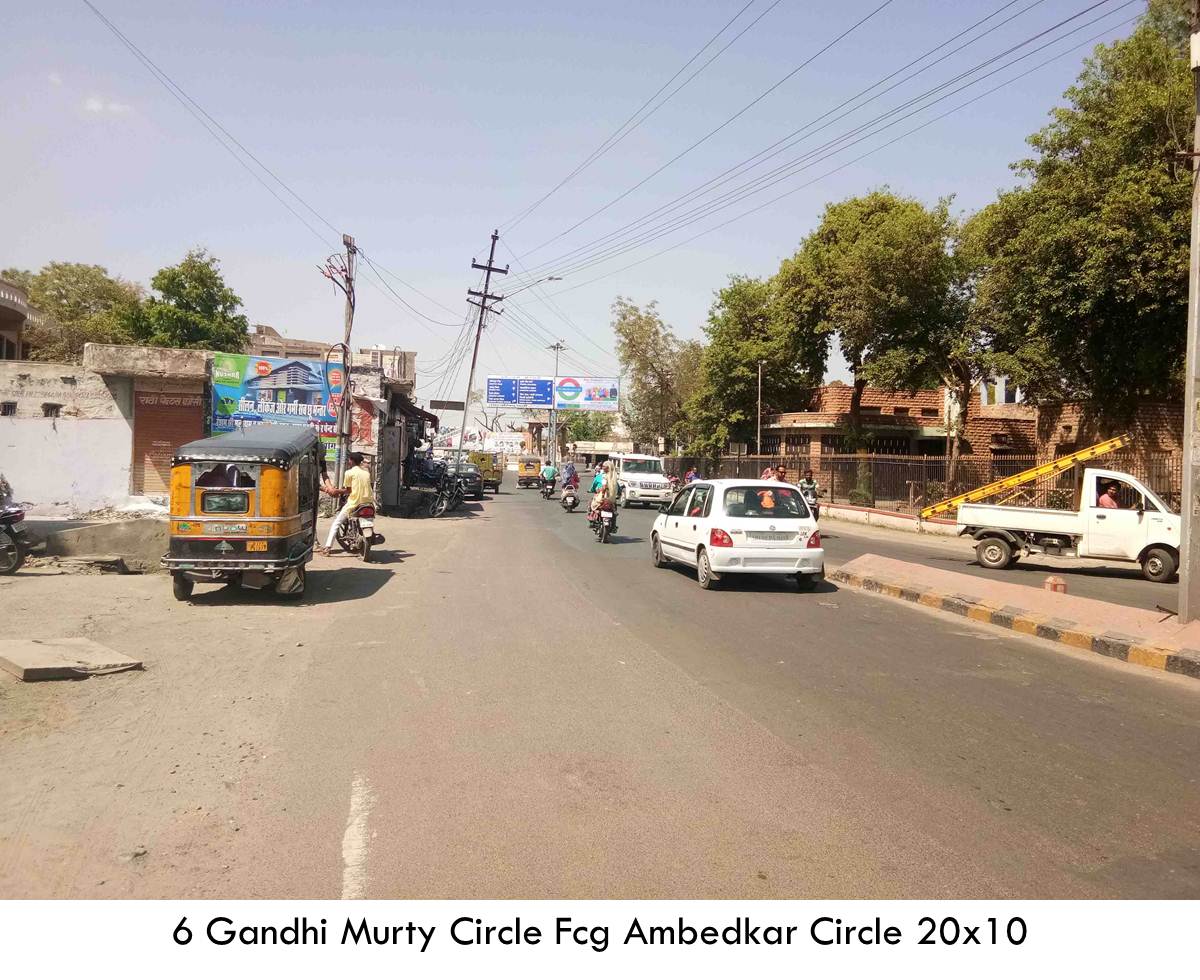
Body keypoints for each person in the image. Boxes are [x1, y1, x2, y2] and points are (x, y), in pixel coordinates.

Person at [320, 452, 373, 555]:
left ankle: (327, 547)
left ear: (351, 461)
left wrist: (336, 491)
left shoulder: (349, 473)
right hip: (368, 502)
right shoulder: (366, 473)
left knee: (336, 523)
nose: (348, 461)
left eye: (349, 460)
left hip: (354, 502)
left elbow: (348, 490)